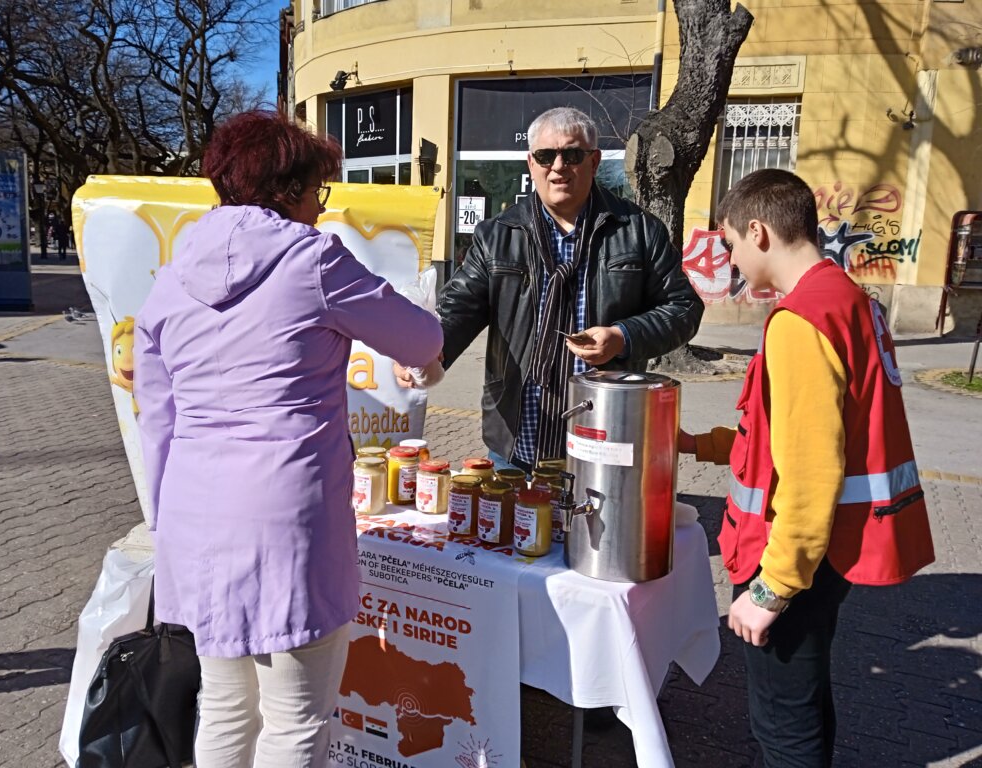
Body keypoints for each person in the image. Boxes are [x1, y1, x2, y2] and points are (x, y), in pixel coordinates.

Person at [134, 110, 443, 768]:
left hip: (194, 517)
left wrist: (166, 525)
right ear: (289, 189)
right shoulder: (314, 260)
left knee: (223, 707)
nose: (317, 205)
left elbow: (156, 420)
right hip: (286, 517)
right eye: (316, 190)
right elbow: (421, 340)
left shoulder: (168, 277)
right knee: (297, 718)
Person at [680, 169, 935, 766]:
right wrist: (694, 443)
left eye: (733, 243)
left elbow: (811, 471)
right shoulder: (850, 301)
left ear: (759, 232)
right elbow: (783, 439)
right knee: (805, 703)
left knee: (783, 726)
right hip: (831, 554)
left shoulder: (798, 322)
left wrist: (771, 590)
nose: (734, 260)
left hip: (790, 557)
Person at [397, 106, 703, 471]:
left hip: (604, 439)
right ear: (531, 163)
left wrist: (623, 336)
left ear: (593, 161)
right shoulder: (498, 235)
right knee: (514, 528)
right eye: (546, 155)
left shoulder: (638, 230)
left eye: (572, 154)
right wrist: (421, 348)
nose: (558, 166)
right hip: (516, 441)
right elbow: (458, 307)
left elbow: (683, 308)